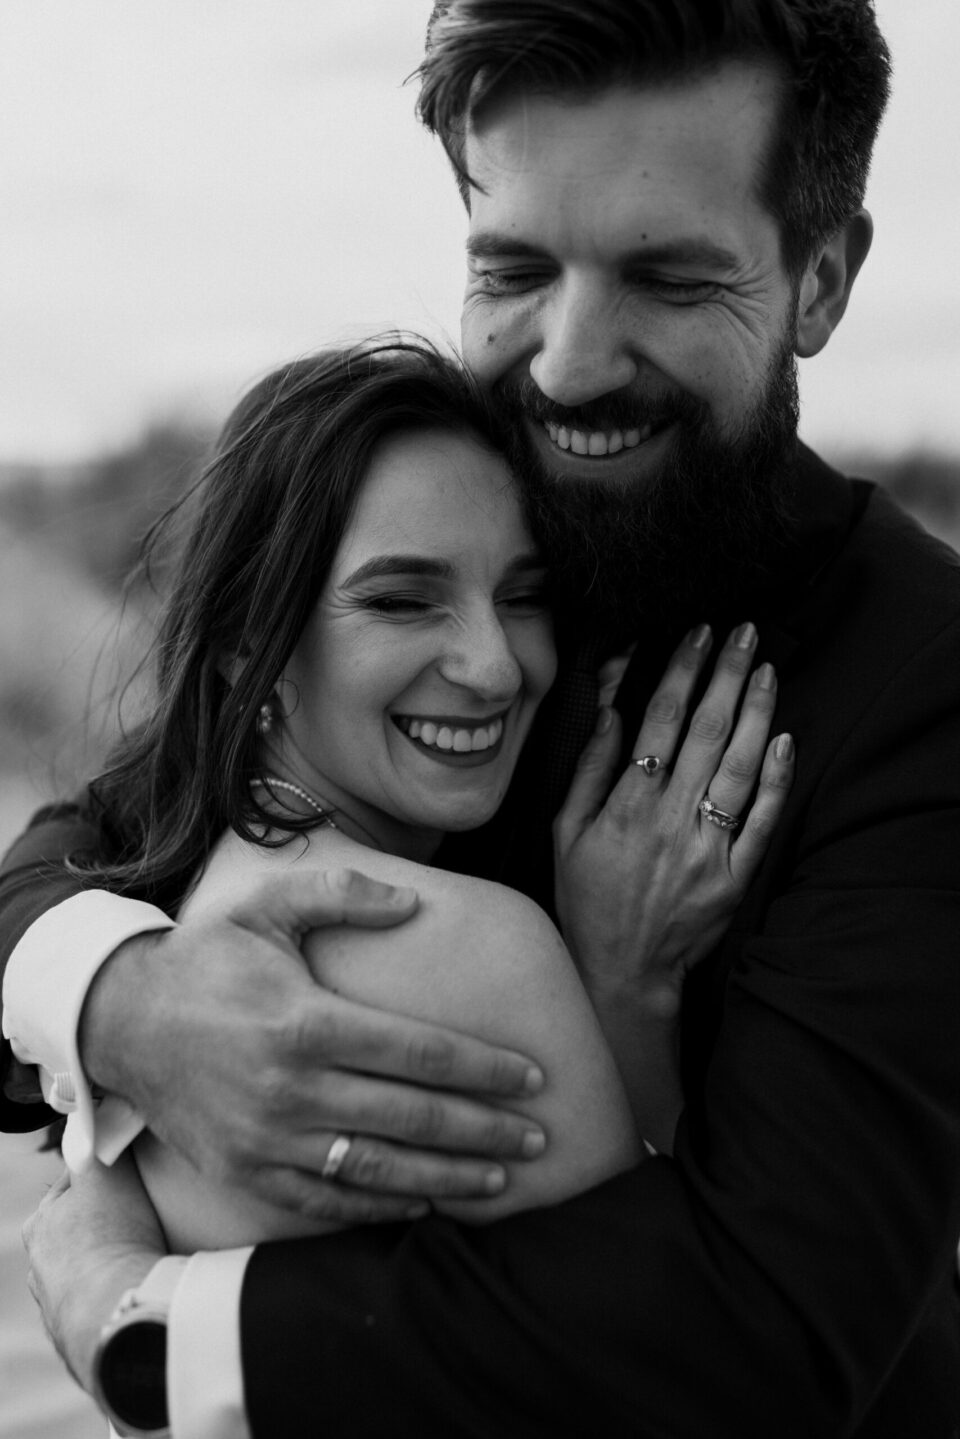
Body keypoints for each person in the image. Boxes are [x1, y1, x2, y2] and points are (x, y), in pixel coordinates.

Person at [7, 2, 960, 1436]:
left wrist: (156, 1324)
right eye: (513, 269)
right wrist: (129, 1002)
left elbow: (771, 1324)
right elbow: (85, 846)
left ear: (821, 278)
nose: (568, 363)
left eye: (668, 277)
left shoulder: (926, 679)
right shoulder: (470, 512)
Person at [37, 336, 786, 1259]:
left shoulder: (189, 886)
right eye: (401, 601)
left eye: (524, 596)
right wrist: (627, 994)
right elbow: (691, 1314)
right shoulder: (471, 949)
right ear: (245, 641)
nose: (495, 667)